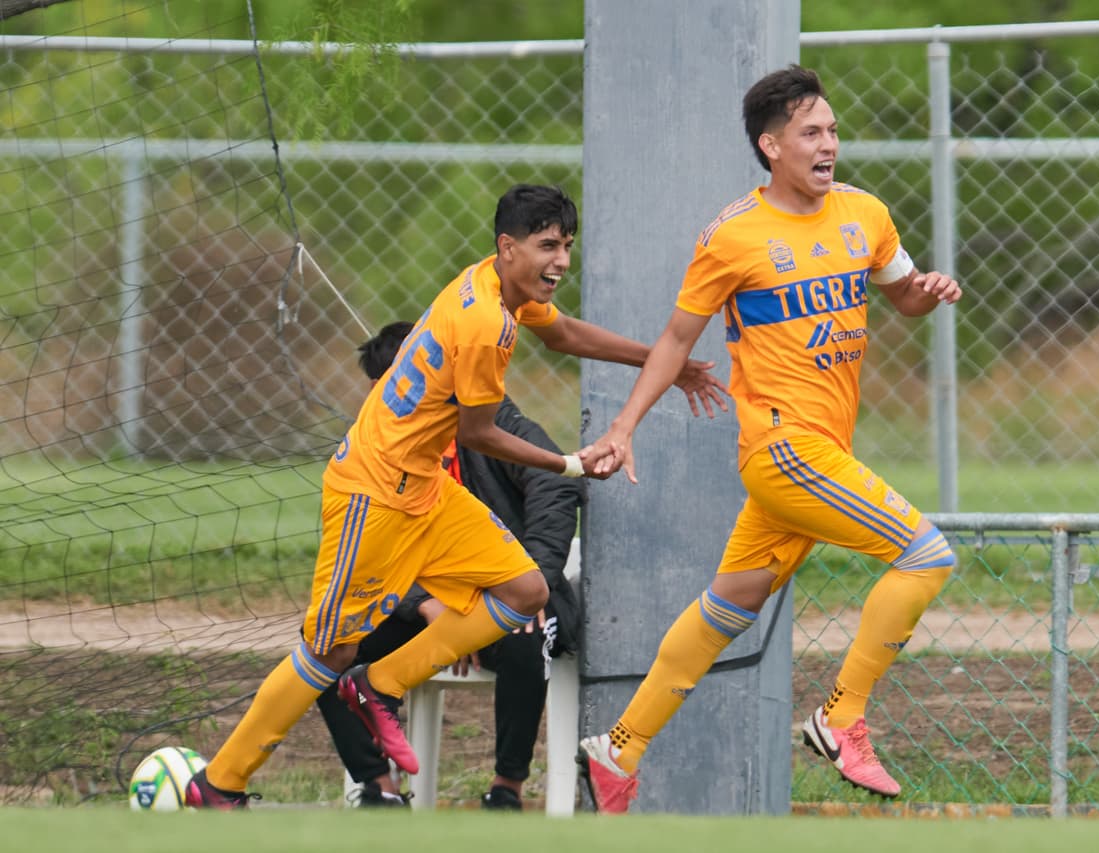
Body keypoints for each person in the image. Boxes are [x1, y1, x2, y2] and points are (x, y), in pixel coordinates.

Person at [184, 184, 727, 808]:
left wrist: (662, 361)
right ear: (508, 247)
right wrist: (569, 462)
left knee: (526, 591)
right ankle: (220, 781)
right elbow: (478, 433)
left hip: (424, 488)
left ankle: (378, 686)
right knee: (329, 651)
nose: (561, 261)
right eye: (547, 245)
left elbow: (563, 335)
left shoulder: (496, 284)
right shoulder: (485, 323)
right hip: (372, 493)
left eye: (567, 246)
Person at [575, 65, 963, 814]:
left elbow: (904, 297)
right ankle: (840, 718)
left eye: (833, 130)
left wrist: (930, 290)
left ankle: (617, 750)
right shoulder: (732, 236)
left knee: (730, 604)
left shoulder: (866, 214)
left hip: (822, 453)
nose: (829, 145)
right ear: (772, 146)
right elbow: (675, 339)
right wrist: (623, 427)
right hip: (785, 451)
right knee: (926, 555)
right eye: (811, 133)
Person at [315, 321, 584, 810]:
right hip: (419, 608)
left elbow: (557, 482)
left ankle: (506, 789)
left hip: (507, 599)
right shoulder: (372, 455)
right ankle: (379, 788)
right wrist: (425, 603)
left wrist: (534, 581)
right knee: (328, 646)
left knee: (524, 630)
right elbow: (366, 554)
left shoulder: (491, 422)